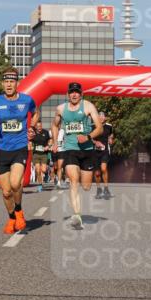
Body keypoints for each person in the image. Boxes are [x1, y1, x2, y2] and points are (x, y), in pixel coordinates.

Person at [0, 67, 37, 233]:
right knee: (7, 191)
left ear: (17, 83)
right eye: (6, 82)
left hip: (20, 147)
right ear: (2, 84)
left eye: (12, 81)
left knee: (16, 183)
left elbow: (35, 113)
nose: (9, 85)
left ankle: (19, 210)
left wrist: (32, 127)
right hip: (1, 149)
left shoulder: (27, 100)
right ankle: (11, 218)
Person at [50, 82, 104, 229]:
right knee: (74, 180)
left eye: (77, 92)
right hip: (70, 148)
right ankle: (77, 215)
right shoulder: (61, 109)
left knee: (86, 186)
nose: (74, 94)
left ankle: (83, 176)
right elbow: (55, 125)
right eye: (71, 92)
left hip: (87, 149)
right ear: (68, 94)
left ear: (81, 94)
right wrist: (55, 142)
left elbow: (99, 128)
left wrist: (88, 137)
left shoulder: (88, 106)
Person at [94, 113, 114, 199]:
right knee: (97, 173)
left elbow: (111, 134)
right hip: (94, 152)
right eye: (99, 116)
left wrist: (110, 139)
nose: (101, 118)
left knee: (104, 168)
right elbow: (89, 137)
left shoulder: (109, 126)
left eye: (103, 116)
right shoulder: (93, 126)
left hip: (105, 151)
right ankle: (99, 189)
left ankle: (106, 188)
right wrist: (95, 142)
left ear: (105, 118)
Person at [30, 119, 51, 192]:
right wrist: (30, 145)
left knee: (43, 170)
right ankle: (40, 184)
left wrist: (48, 146)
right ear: (35, 127)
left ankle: (46, 174)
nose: (39, 127)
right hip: (36, 154)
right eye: (38, 126)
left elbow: (50, 140)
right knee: (38, 170)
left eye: (40, 126)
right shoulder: (33, 133)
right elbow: (29, 140)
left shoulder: (46, 132)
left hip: (44, 154)